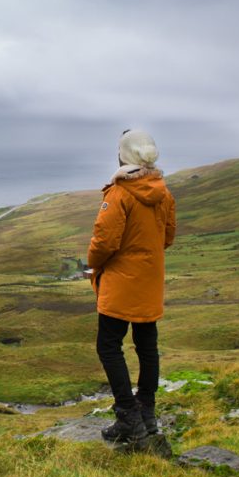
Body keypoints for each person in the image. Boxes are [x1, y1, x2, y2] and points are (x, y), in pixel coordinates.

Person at [87, 129, 176, 442]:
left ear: (124, 155)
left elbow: (104, 242)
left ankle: (128, 417)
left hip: (121, 281)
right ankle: (147, 414)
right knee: (146, 344)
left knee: (108, 346)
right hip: (149, 280)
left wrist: (95, 263)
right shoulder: (163, 192)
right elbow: (167, 237)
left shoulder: (119, 193)